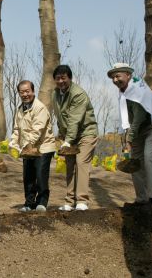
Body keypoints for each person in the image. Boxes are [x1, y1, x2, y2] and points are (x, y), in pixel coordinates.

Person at [107, 62, 152, 206]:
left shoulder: (137, 90)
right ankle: (141, 199)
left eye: (118, 76)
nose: (115, 80)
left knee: (149, 158)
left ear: (128, 75)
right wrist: (126, 136)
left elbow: (138, 118)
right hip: (137, 131)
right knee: (135, 163)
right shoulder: (124, 91)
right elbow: (127, 118)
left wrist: (129, 140)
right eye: (113, 77)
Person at [52, 65, 98, 211]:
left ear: (70, 78)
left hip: (86, 133)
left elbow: (74, 120)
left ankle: (82, 200)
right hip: (69, 136)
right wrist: (62, 136)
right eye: (58, 78)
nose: (60, 81)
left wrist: (67, 141)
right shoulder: (55, 94)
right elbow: (60, 117)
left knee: (81, 162)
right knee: (70, 166)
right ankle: (69, 201)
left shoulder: (78, 94)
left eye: (63, 78)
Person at [9, 80, 56, 212]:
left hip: (43, 147)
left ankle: (42, 202)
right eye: (22, 92)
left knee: (40, 175)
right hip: (27, 148)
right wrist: (13, 141)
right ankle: (29, 203)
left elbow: (37, 130)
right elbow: (17, 128)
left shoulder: (39, 107)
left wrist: (24, 145)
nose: (25, 94)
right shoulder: (20, 109)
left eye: (27, 91)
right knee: (28, 176)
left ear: (33, 91)